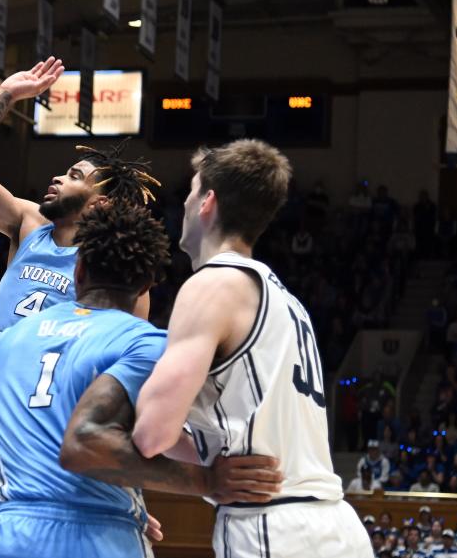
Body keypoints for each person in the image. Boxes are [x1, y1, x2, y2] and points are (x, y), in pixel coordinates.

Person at [0, 201, 282, 558]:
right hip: (101, 540)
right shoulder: (145, 343)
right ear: (145, 287)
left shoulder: (9, 341)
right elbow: (90, 445)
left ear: (78, 271)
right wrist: (207, 481)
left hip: (9, 537)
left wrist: (38, 499)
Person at [130, 140, 373, 557]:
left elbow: (151, 433)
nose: (184, 205)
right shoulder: (286, 300)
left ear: (207, 201)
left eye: (190, 193)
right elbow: (227, 429)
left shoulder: (212, 284)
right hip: (335, 524)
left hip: (270, 523)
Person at [0, 63, 161, 345]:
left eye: (74, 176)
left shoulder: (114, 267)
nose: (57, 178)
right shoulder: (29, 222)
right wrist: (4, 95)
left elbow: (125, 356)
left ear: (99, 203)